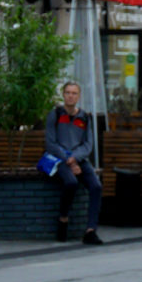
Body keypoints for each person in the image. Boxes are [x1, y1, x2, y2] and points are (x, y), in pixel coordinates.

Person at [45, 82, 104, 245]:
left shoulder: (84, 117)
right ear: (63, 95)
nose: (70, 96)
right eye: (68, 93)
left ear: (79, 96)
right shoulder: (55, 114)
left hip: (79, 159)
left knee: (96, 186)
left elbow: (88, 144)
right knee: (71, 182)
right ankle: (63, 218)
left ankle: (91, 230)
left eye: (74, 93)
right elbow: (50, 143)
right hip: (60, 159)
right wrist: (68, 159)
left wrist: (75, 159)